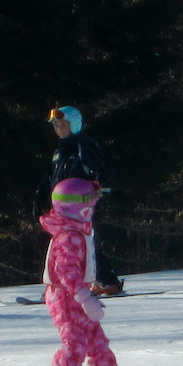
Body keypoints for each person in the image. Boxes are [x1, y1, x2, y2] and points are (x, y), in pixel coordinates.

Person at [31, 178, 132, 366]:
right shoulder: (69, 236)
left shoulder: (80, 231)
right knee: (73, 346)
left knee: (98, 346)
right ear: (77, 206)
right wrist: (85, 297)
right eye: (91, 202)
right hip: (64, 297)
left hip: (78, 294)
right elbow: (66, 272)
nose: (94, 208)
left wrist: (88, 293)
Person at [34, 106, 123, 295]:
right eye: (56, 125)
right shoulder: (60, 151)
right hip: (61, 206)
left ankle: (98, 281)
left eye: (63, 124)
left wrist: (97, 189)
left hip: (79, 205)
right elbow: (49, 177)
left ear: (74, 125)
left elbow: (105, 169)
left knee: (78, 243)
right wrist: (40, 196)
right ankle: (79, 282)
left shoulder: (83, 146)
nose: (59, 129)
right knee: (66, 243)